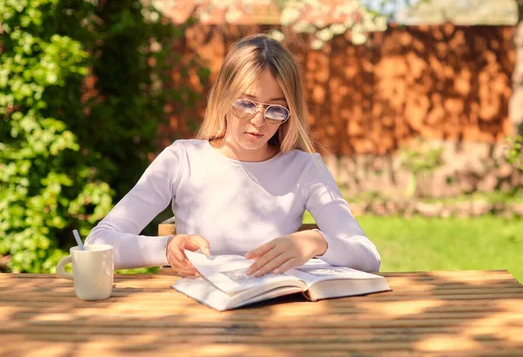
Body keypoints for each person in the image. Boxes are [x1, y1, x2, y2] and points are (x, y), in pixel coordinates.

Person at [85, 34, 381, 277]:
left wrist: (316, 241)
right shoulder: (182, 160)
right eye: (247, 103)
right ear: (223, 96)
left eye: (276, 109)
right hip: (198, 316)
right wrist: (166, 248)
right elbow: (98, 243)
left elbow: (368, 256)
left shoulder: (304, 169)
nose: (258, 121)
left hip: (276, 316)